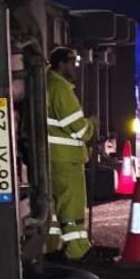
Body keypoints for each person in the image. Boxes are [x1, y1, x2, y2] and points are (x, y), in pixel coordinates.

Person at [46, 47, 97, 261]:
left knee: (57, 208)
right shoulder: (61, 89)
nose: (75, 66)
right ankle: (77, 250)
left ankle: (53, 248)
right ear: (60, 64)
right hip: (67, 159)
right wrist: (92, 125)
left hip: (56, 157)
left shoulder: (49, 84)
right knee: (72, 206)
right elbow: (78, 129)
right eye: (72, 62)